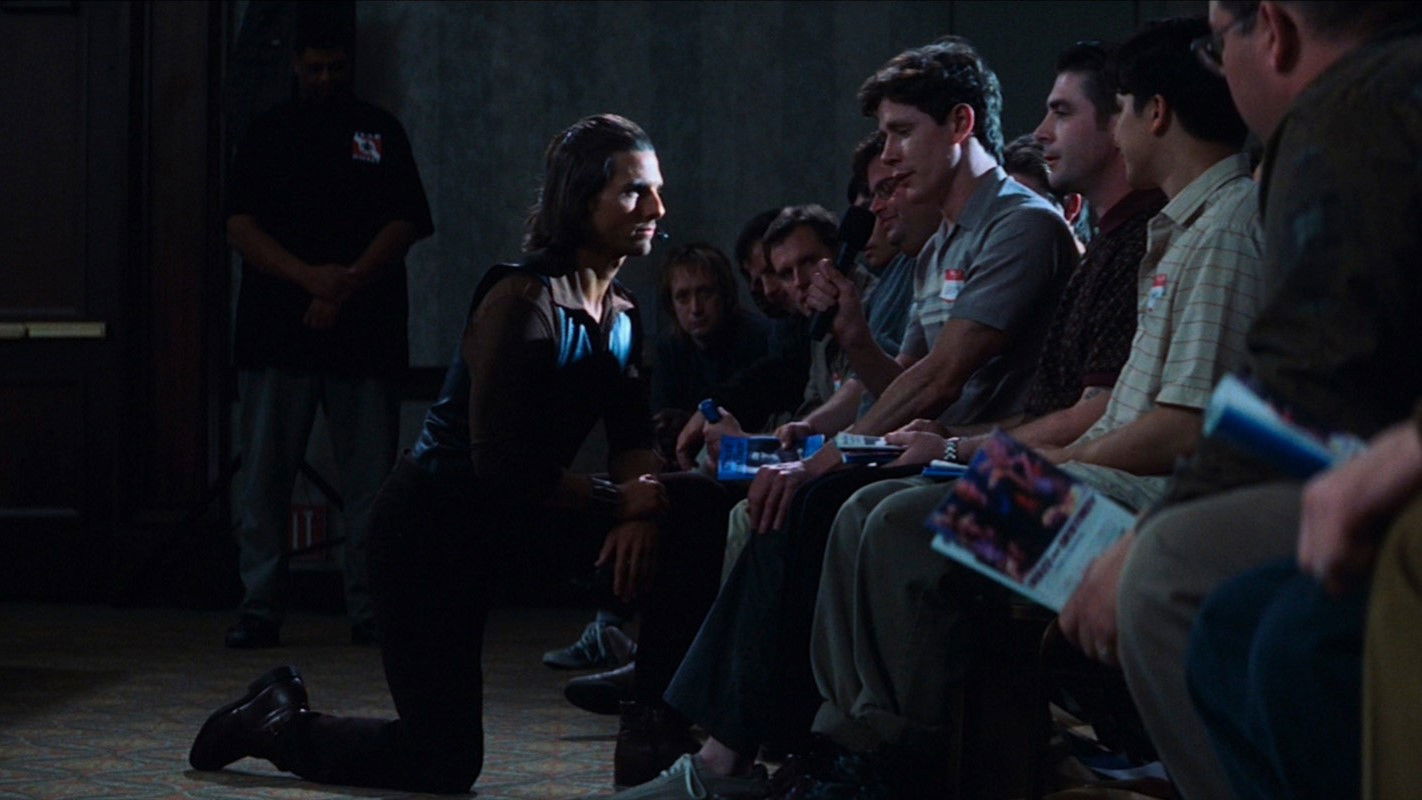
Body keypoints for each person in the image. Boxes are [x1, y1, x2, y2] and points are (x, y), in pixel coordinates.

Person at [189, 114, 733, 795]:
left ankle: (653, 721)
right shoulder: (522, 298)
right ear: (579, 201)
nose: (657, 209)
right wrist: (617, 499)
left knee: (697, 504)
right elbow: (497, 464)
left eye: (656, 190)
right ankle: (273, 721)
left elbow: (630, 439)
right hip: (430, 537)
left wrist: (642, 509)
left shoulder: (621, 311)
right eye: (633, 192)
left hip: (517, 524)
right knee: (441, 762)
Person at [610, 37, 1079, 798]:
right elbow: (906, 381)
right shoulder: (944, 239)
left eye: (901, 132)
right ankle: (748, 746)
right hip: (936, 450)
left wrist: (833, 454)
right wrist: (851, 377)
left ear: (961, 125)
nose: (886, 156)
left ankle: (789, 755)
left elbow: (943, 379)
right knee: (773, 501)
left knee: (830, 503)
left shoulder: (1022, 222)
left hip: (981, 462)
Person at [1098, 3, 1422, 798]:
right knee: (926, 509)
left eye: (1219, 43)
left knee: (1167, 575)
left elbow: (1297, 386)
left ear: (1273, 30)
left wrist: (1144, 528)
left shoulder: (1342, 117)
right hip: (1343, 453)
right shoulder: (1149, 232)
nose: (1105, 132)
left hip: (1274, 463)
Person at [223, 10, 433, 648]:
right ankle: (259, 608)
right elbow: (239, 227)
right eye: (313, 69)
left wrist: (344, 285)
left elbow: (405, 223)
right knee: (264, 481)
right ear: (295, 66)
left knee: (371, 486)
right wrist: (310, 280)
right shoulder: (267, 132)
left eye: (334, 68)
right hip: (275, 333)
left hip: (365, 334)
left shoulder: (380, 131)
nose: (323, 79)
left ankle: (370, 609)